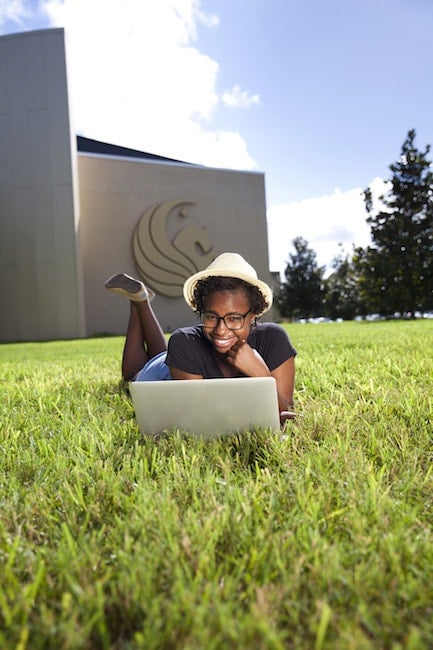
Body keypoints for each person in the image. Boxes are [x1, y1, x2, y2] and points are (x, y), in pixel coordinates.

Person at [105, 253, 297, 423]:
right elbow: (199, 415)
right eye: (211, 317)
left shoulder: (274, 339)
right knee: (132, 376)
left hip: (179, 361)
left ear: (253, 315)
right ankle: (139, 304)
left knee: (163, 353)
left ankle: (141, 299)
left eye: (234, 318)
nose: (221, 330)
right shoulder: (184, 341)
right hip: (165, 373)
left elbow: (286, 410)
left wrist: (261, 373)